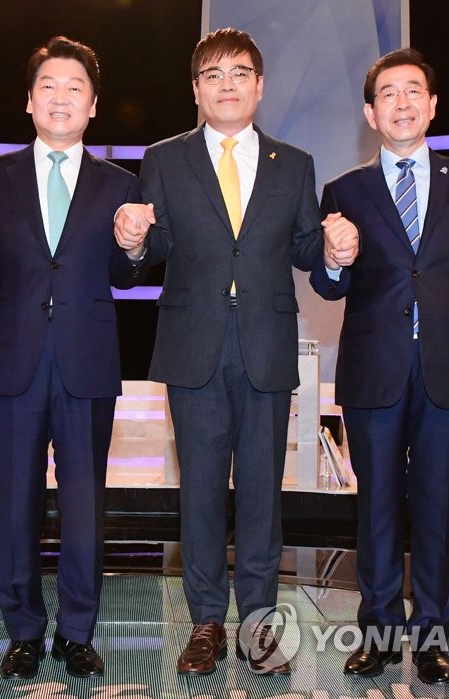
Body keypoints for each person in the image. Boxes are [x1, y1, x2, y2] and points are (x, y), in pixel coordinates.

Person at [114, 28, 335, 676]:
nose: (227, 84)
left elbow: (305, 247)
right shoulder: (164, 158)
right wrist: (132, 240)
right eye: (213, 74)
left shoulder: (294, 164)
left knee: (263, 493)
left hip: (266, 345)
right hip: (194, 347)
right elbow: (153, 249)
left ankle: (260, 623)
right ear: (196, 90)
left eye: (239, 73)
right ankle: (207, 621)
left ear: (259, 86)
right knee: (202, 492)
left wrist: (333, 248)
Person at [311, 48, 449, 685]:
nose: (401, 103)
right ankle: (377, 635)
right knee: (375, 508)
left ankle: (431, 639)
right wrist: (334, 260)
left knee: (437, 507)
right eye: (388, 94)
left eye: (413, 91)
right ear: (371, 114)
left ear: (432, 105)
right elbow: (328, 285)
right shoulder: (344, 191)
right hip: (374, 371)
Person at [0, 36, 146, 680]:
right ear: (28, 100)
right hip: (14, 359)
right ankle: (22, 631)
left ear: (92, 105)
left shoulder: (122, 183)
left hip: (87, 360)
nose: (60, 97)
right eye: (48, 86)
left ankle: (76, 630)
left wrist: (135, 246)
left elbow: (126, 273)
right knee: (15, 501)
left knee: (84, 505)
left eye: (74, 87)